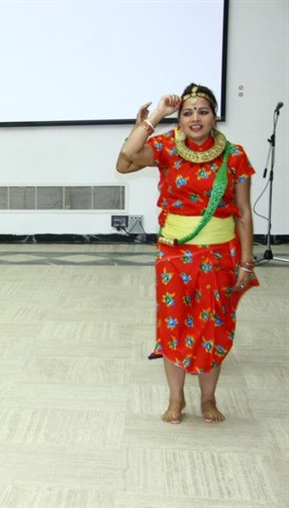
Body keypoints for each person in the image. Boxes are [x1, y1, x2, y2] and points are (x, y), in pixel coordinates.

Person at [117, 83, 258, 424]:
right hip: (175, 256)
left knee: (214, 325)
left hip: (220, 256)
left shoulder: (234, 154)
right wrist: (156, 115)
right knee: (174, 324)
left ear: (214, 117)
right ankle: (176, 399)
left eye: (203, 111)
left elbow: (243, 211)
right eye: (187, 112)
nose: (195, 118)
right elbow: (125, 161)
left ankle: (208, 399)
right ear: (179, 120)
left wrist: (246, 261)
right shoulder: (167, 147)